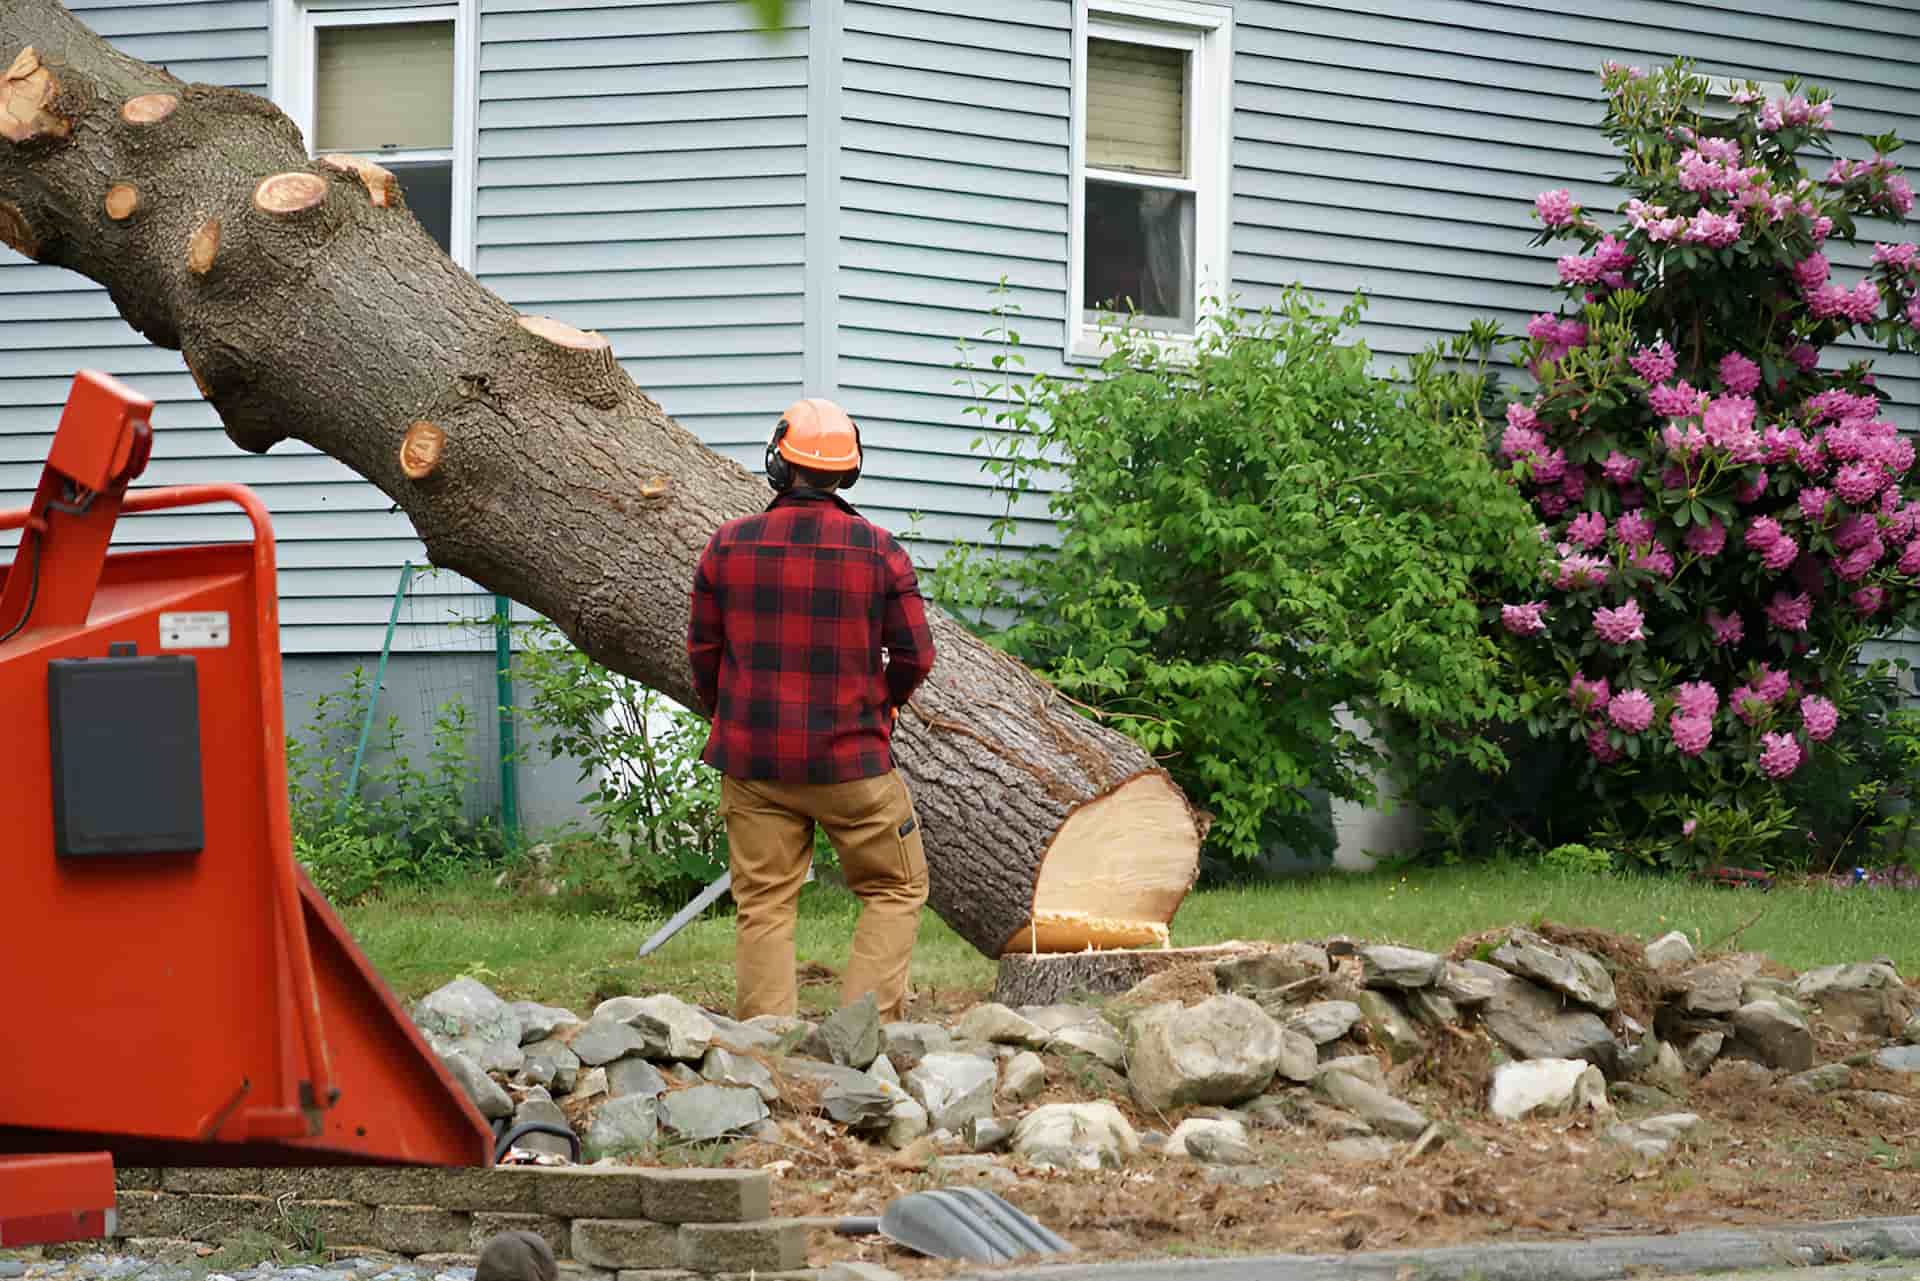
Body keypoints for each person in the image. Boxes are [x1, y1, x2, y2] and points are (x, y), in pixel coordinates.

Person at [687, 397, 936, 1023]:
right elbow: (915, 655)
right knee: (895, 887)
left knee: (765, 903)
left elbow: (703, 652)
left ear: (779, 462)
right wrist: (885, 704)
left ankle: (764, 1051)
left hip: (754, 764)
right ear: (848, 471)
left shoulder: (726, 546)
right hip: (853, 764)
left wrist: (732, 715)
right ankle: (864, 1037)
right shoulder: (881, 552)